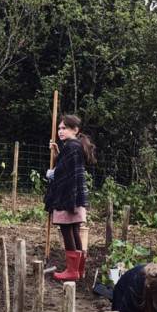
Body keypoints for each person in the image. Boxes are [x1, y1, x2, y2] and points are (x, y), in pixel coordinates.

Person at [45, 114, 96, 282]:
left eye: (64, 128)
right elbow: (67, 166)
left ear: (75, 130)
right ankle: (79, 270)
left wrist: (51, 174)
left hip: (67, 197)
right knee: (74, 231)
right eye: (59, 128)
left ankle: (72, 271)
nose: (60, 131)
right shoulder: (75, 146)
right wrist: (57, 153)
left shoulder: (71, 147)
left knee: (67, 231)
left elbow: (63, 172)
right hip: (75, 196)